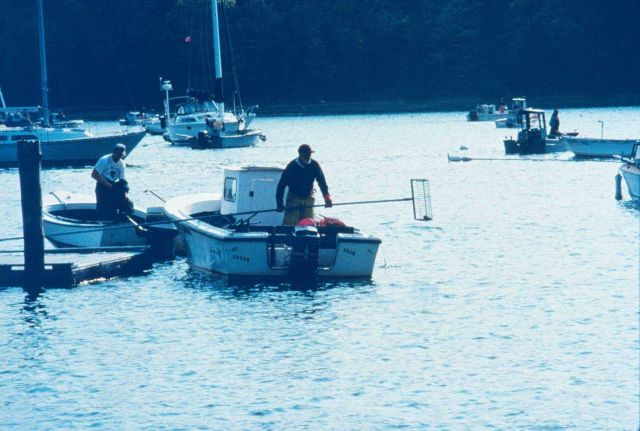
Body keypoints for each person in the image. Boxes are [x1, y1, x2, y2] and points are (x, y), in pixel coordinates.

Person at [276, 144, 332, 225]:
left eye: (309, 154)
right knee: (290, 225)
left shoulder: (314, 165)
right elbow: (281, 186)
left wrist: (327, 198)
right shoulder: (292, 166)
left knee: (308, 223)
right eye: (306, 154)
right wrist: (279, 204)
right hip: (293, 198)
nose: (308, 156)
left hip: (309, 197)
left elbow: (322, 182)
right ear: (300, 154)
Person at [91, 143, 132, 220]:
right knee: (102, 207)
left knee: (116, 204)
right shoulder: (104, 160)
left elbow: (123, 181)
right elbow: (94, 174)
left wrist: (125, 194)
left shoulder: (121, 164)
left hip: (113, 185)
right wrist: (107, 184)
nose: (118, 157)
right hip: (102, 184)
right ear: (114, 152)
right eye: (117, 154)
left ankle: (119, 218)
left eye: (121, 155)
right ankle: (101, 222)